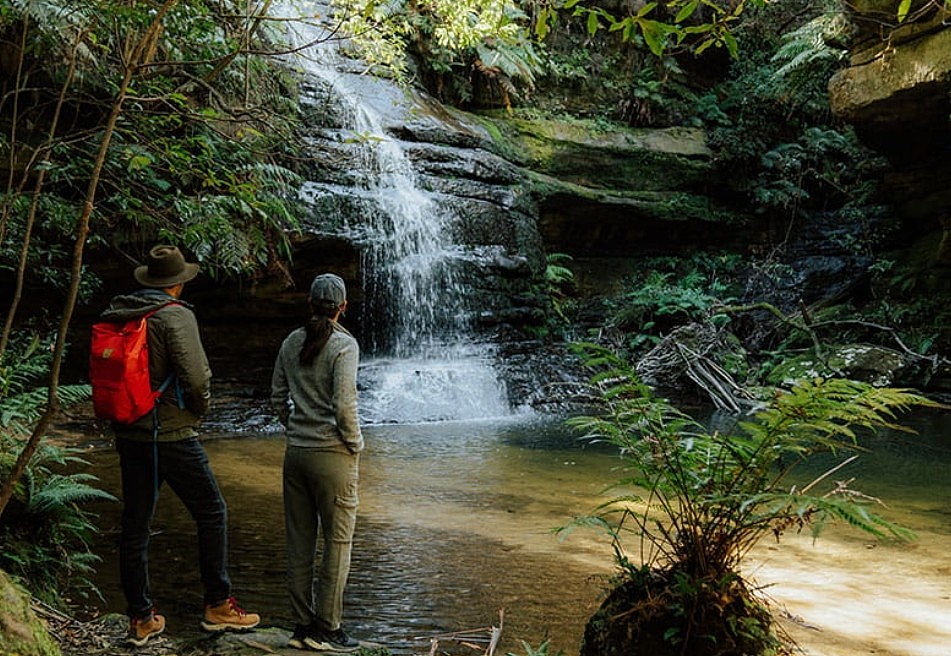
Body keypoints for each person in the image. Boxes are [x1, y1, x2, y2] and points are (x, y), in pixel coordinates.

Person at [98, 244, 260, 646]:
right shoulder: (174, 317)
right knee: (212, 512)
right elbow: (196, 376)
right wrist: (199, 411)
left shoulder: (120, 312)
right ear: (177, 285)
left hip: (129, 431)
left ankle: (140, 618)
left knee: (135, 523)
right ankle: (218, 604)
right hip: (168, 433)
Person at [270, 273, 364, 652]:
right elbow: (344, 405)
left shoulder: (291, 341)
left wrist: (293, 426)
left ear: (310, 303)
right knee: (338, 542)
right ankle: (328, 627)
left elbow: (278, 397)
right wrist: (355, 442)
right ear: (342, 308)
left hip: (296, 454)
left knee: (299, 542)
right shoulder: (344, 345)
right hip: (333, 455)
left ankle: (301, 626)